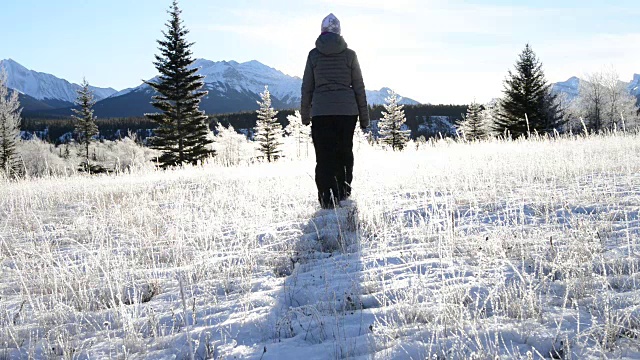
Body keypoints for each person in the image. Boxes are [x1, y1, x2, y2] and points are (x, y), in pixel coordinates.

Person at [301, 13, 369, 209]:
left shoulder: (313, 55)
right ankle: (343, 192)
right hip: (347, 112)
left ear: (322, 31)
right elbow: (359, 87)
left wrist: (306, 115)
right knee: (344, 152)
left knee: (324, 155)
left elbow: (307, 87)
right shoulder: (350, 55)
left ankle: (327, 199)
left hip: (321, 112)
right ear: (339, 32)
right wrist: (364, 119)